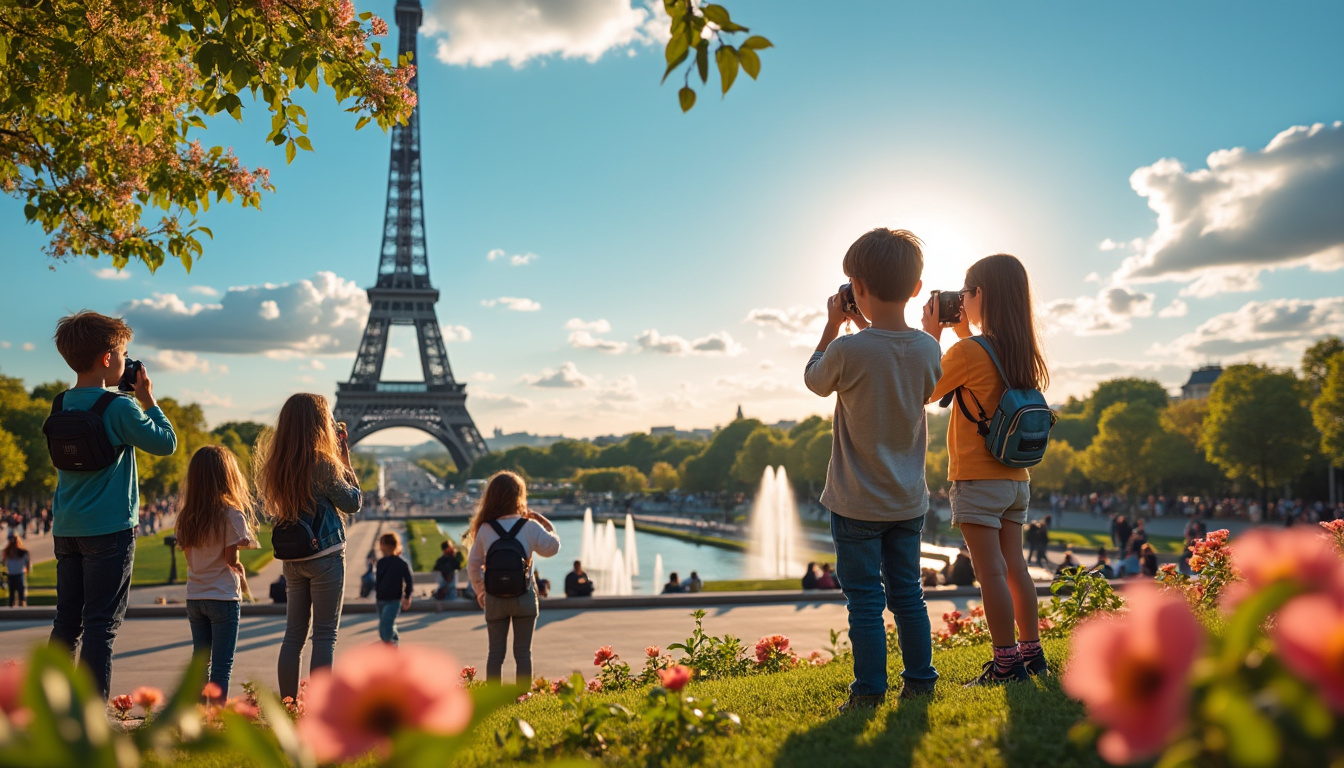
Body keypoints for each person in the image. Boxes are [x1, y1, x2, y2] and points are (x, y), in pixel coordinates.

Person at [804, 228, 940, 710]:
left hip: (856, 501)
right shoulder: (928, 348)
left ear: (856, 286)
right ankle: (920, 680)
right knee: (908, 595)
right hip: (907, 500)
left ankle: (869, 691)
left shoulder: (846, 350)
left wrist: (833, 325)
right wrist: (862, 321)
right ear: (916, 288)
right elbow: (901, 361)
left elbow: (815, 379)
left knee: (864, 600)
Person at [925, 253, 1050, 685]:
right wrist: (963, 333)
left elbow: (923, 389)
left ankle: (1005, 664)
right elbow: (986, 373)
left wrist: (932, 337)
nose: (960, 299)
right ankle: (1032, 654)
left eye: (965, 292)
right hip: (1016, 478)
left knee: (990, 572)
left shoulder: (967, 351)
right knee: (1015, 567)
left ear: (981, 294)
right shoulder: (1021, 351)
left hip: (978, 478)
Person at [48, 311, 178, 698]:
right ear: (107, 358)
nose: (126, 361)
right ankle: (90, 717)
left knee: (66, 623)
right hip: (109, 529)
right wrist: (148, 400)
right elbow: (166, 443)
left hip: (66, 528)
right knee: (101, 626)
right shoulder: (119, 407)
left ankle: (49, 708)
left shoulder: (60, 404)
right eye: (123, 354)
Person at [256, 393, 362, 701]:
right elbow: (352, 502)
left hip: (293, 557)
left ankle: (289, 706)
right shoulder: (323, 463)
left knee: (293, 637)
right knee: (325, 635)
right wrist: (346, 463)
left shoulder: (279, 463)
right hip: (326, 555)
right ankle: (319, 707)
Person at [176, 445, 258, 699]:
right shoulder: (231, 514)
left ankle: (198, 715)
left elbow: (190, 557)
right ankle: (217, 718)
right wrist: (240, 568)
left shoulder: (186, 516)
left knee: (200, 665)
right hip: (222, 596)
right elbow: (230, 559)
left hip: (195, 595)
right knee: (222, 667)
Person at [466, 471, 560, 684]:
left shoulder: (486, 528)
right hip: (524, 596)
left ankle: (493, 696)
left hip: (495, 598)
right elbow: (553, 547)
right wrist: (544, 522)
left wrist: (481, 591)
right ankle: (523, 694)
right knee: (523, 652)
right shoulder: (529, 526)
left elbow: (473, 565)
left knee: (495, 654)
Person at [374, 532, 413, 645]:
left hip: (394, 600)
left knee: (385, 627)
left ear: (389, 545)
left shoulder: (401, 563)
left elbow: (409, 581)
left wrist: (407, 597)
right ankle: (394, 638)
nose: (380, 545)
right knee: (386, 624)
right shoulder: (380, 563)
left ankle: (391, 644)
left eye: (381, 543)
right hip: (381, 599)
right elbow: (378, 581)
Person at [5, 534, 31, 607]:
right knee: (12, 596)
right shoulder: (8, 552)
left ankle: (21, 606)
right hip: (13, 575)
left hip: (18, 575)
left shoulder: (22, 552)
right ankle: (14, 606)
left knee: (21, 595)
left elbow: (27, 562)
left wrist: (27, 568)